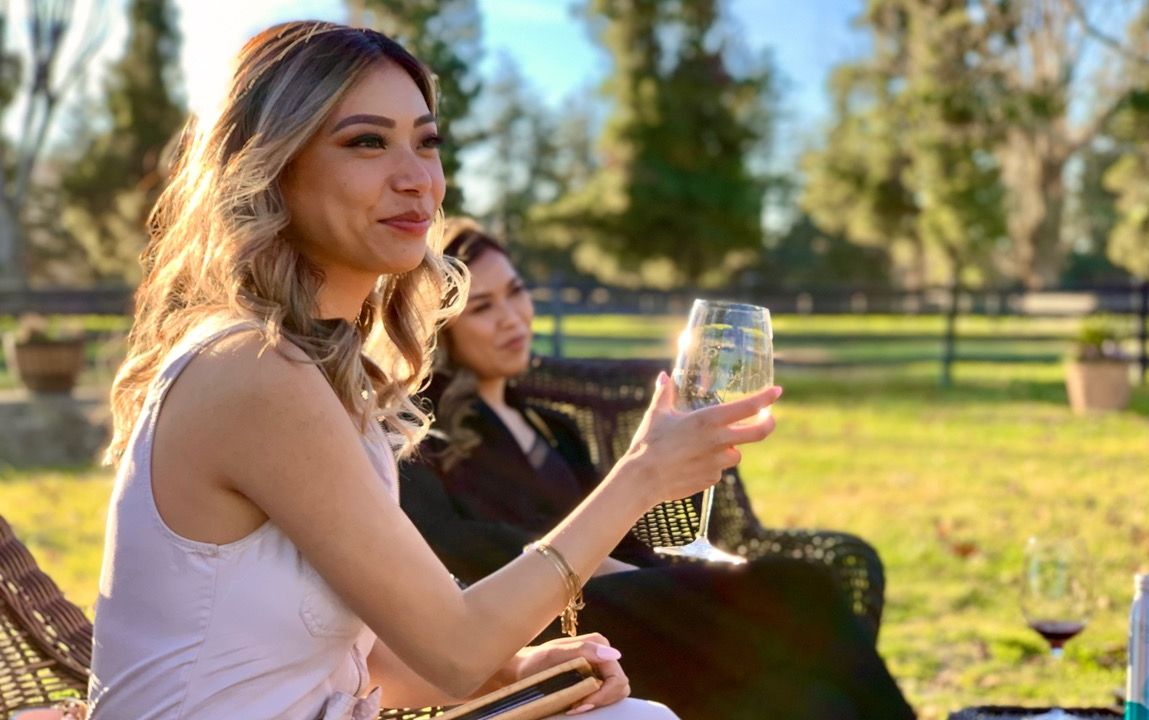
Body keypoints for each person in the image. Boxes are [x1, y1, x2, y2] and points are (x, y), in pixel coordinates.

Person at [88, 21, 782, 720]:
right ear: (272, 164)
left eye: (427, 142)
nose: (417, 179)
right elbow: (455, 648)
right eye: (366, 141)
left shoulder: (307, 367)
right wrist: (643, 478)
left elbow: (359, 662)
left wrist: (516, 668)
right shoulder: (253, 371)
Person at [398, 219, 917, 720]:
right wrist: (618, 569)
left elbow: (626, 535)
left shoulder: (555, 426)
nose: (512, 317)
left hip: (641, 601)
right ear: (440, 325)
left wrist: (661, 568)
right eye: (483, 308)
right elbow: (462, 545)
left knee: (814, 704)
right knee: (797, 585)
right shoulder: (423, 434)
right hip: (565, 627)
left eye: (516, 292)